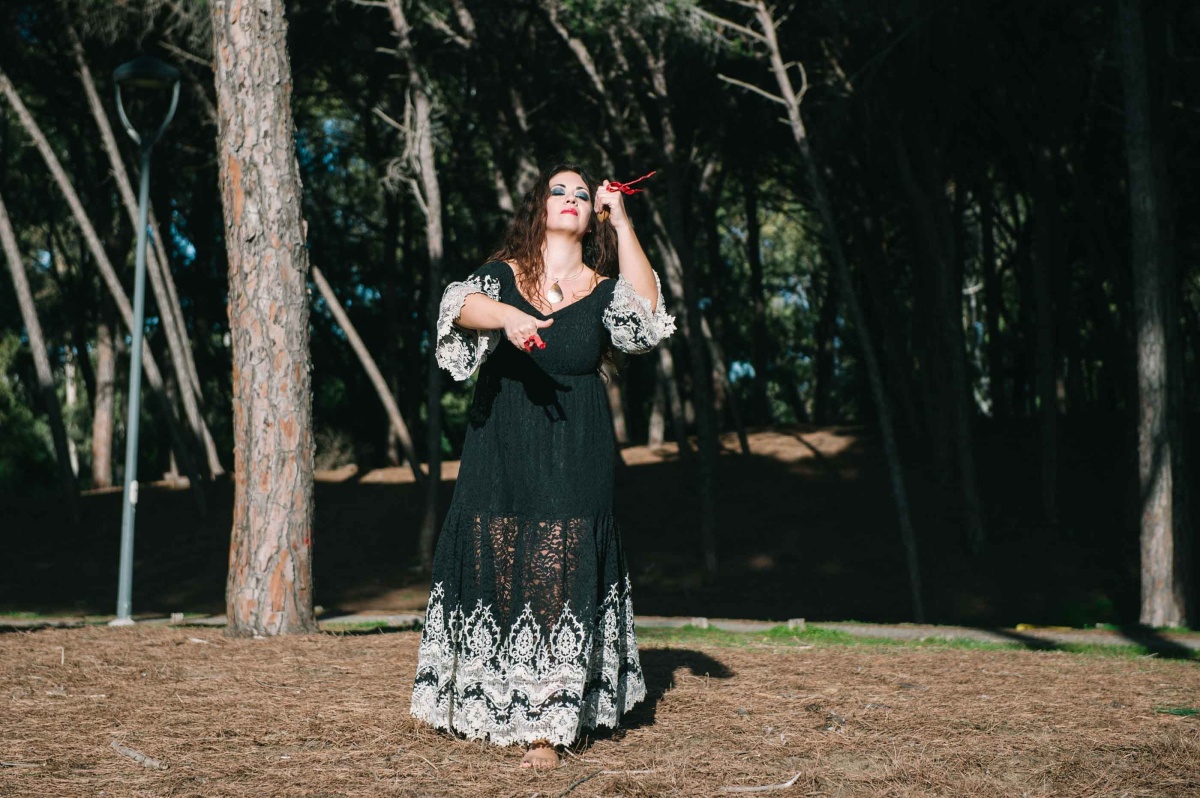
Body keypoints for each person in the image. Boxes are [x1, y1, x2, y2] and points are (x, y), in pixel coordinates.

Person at [409, 163, 675, 769]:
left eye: (583, 195)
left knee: (558, 565)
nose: (571, 199)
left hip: (573, 443)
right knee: (500, 560)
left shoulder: (604, 289)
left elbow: (647, 317)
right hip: (500, 436)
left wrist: (624, 219)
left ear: (592, 216)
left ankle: (546, 729)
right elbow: (461, 307)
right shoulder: (505, 274)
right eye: (559, 190)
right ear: (540, 205)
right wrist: (509, 316)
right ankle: (487, 699)